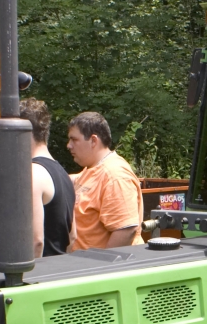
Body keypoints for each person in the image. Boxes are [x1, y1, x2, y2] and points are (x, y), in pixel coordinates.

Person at [65, 112, 144, 250]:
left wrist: (104, 267)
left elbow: (126, 229)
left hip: (99, 268)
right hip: (83, 266)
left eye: (74, 140)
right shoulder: (92, 169)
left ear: (93, 141)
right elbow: (74, 180)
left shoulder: (115, 176)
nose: (69, 146)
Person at [19, 99, 75, 255]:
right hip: (58, 271)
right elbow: (73, 235)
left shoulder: (32, 173)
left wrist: (28, 278)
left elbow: (36, 241)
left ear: (24, 133)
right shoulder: (63, 174)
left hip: (38, 275)